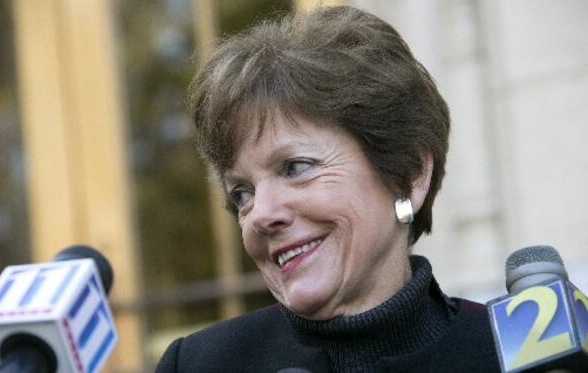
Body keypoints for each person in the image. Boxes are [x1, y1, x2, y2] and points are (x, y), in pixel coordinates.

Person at [157, 5, 500, 372]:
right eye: (242, 193)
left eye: (295, 167)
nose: (262, 214)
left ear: (410, 173)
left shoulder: (508, 356)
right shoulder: (201, 364)